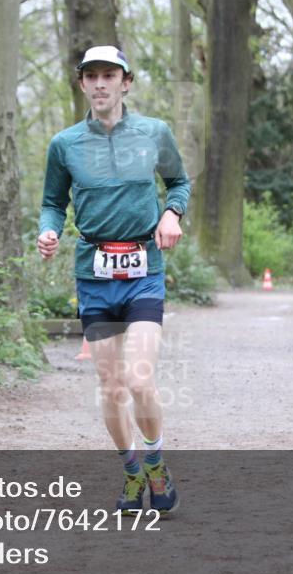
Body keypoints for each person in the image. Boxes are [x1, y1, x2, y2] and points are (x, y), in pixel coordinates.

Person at [37, 46, 190, 515]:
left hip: (144, 269)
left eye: (110, 75)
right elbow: (52, 202)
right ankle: (130, 472)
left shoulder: (154, 133)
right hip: (94, 274)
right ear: (81, 85)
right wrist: (47, 230)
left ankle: (157, 462)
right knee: (111, 386)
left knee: (141, 379)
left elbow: (178, 182)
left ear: (126, 82)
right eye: (92, 76)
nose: (100, 84)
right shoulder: (65, 144)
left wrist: (171, 213)